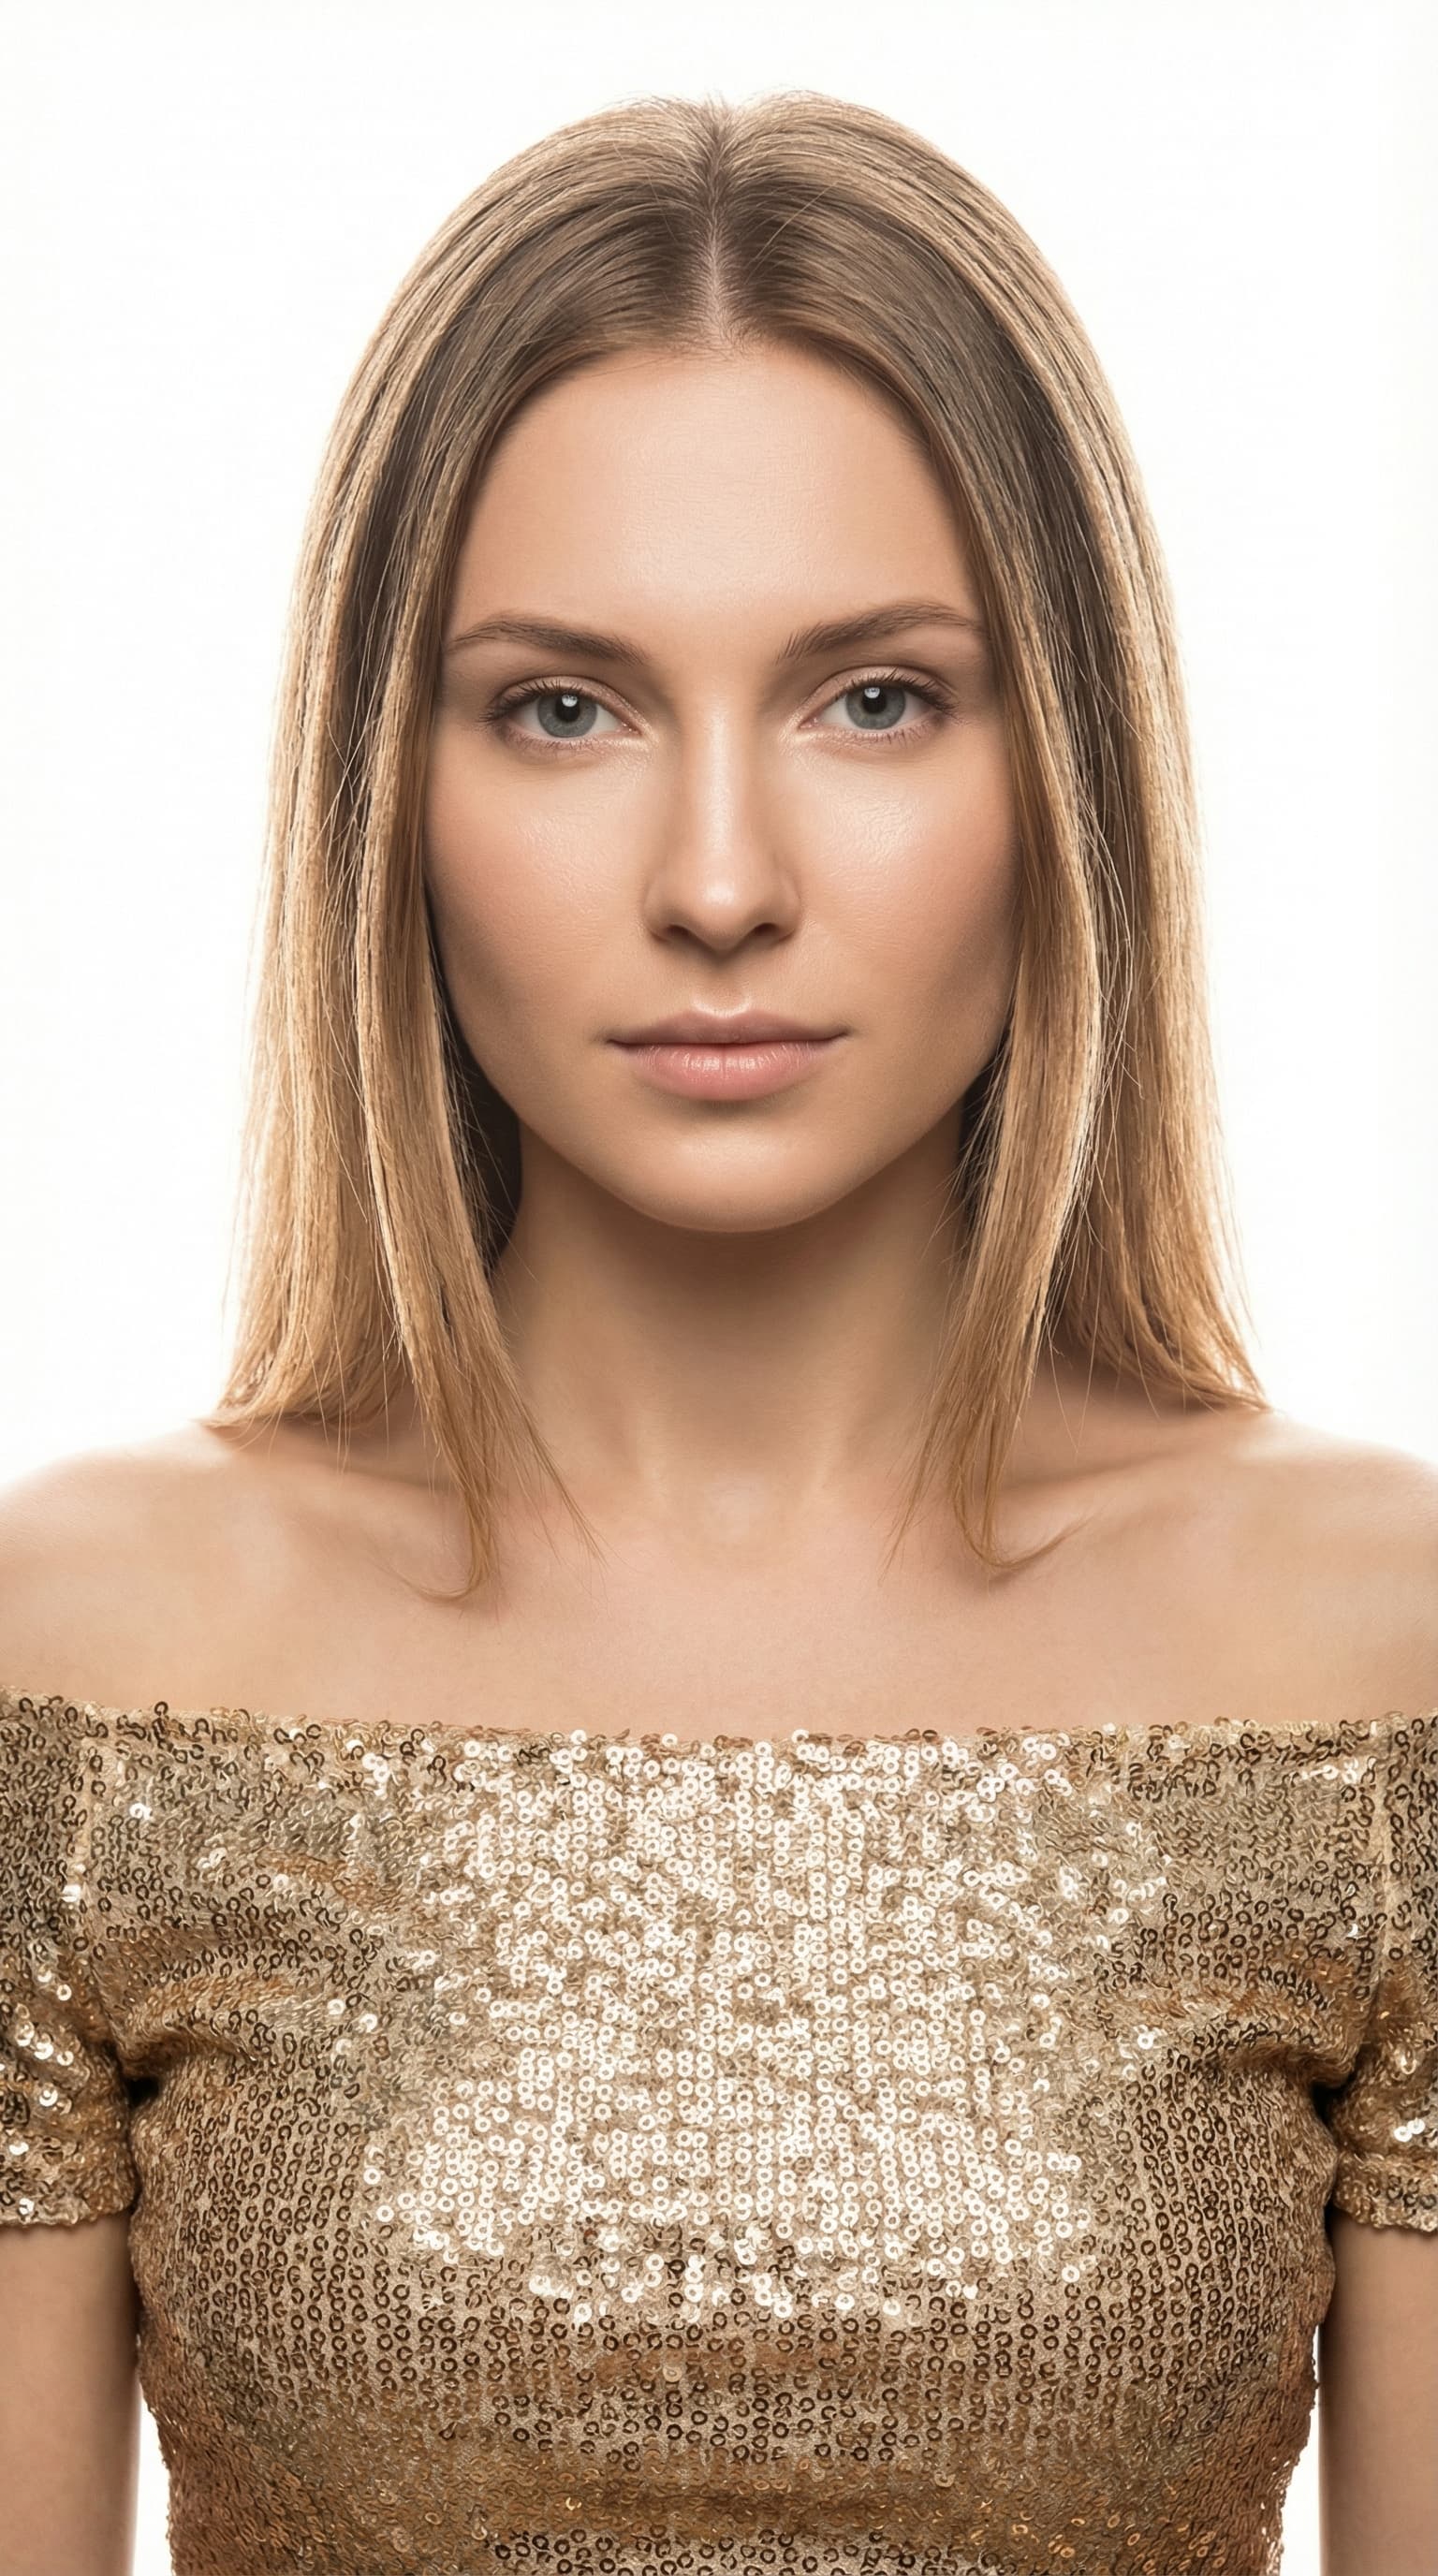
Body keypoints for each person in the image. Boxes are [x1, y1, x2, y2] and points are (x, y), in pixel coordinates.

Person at [1, 85, 1433, 2576]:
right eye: (564, 709)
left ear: (1064, 769)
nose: (722, 882)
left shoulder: (1374, 1652)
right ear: (390, 790)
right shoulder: (87, 1656)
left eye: (873, 699)